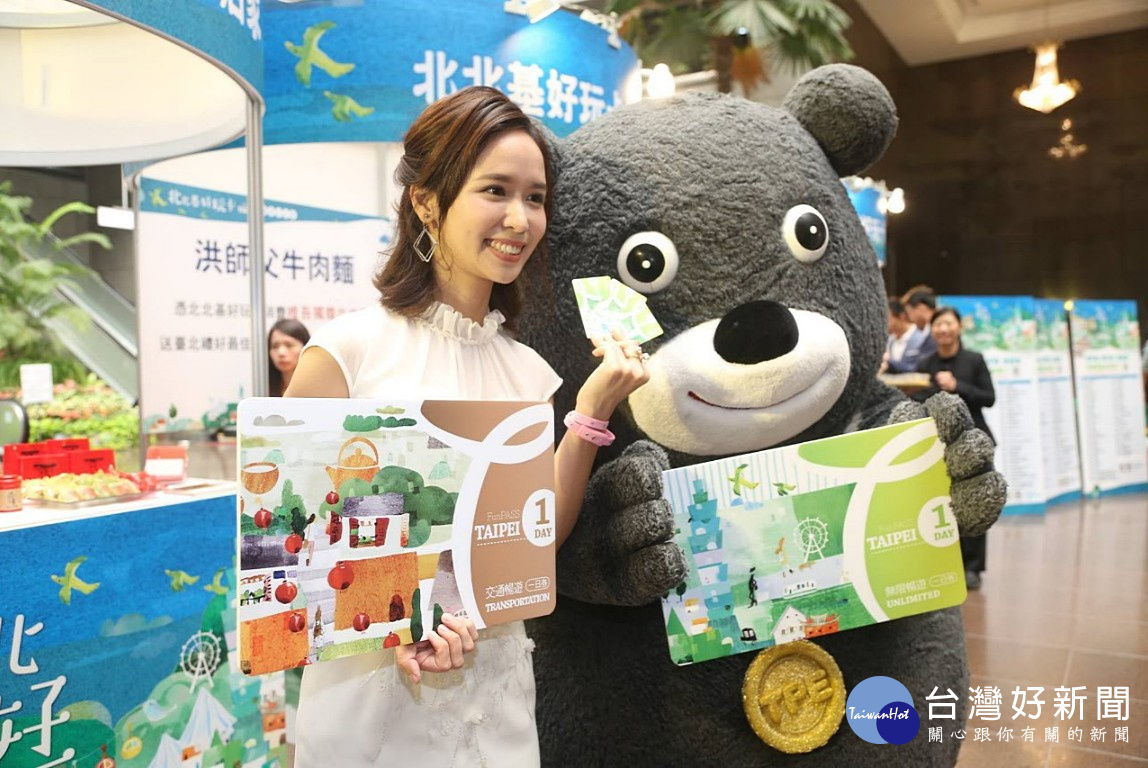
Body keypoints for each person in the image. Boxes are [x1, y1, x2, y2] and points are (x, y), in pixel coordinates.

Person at [285, 86, 649, 766]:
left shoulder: (529, 373)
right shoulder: (346, 353)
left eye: (535, 198)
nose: (519, 218)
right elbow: (288, 543)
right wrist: (392, 621)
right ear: (427, 201)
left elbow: (535, 540)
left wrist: (591, 413)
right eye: (495, 191)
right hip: (370, 705)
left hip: (498, 696)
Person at [913, 306, 995, 590]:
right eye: (938, 325)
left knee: (976, 503)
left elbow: (989, 398)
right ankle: (943, 561)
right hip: (938, 442)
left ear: (959, 327)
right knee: (940, 503)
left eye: (948, 324)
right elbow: (920, 398)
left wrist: (957, 385)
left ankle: (972, 567)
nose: (943, 329)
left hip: (974, 441)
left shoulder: (974, 360)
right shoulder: (926, 363)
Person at [881, 297, 930, 373]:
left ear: (902, 316)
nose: (886, 324)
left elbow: (916, 367)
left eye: (888, 319)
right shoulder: (889, 340)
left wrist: (889, 364)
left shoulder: (922, 337)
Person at [267, 318, 310, 397]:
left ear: (305, 346)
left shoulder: (318, 387)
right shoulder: (263, 388)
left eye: (289, 345)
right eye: (275, 346)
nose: (281, 353)